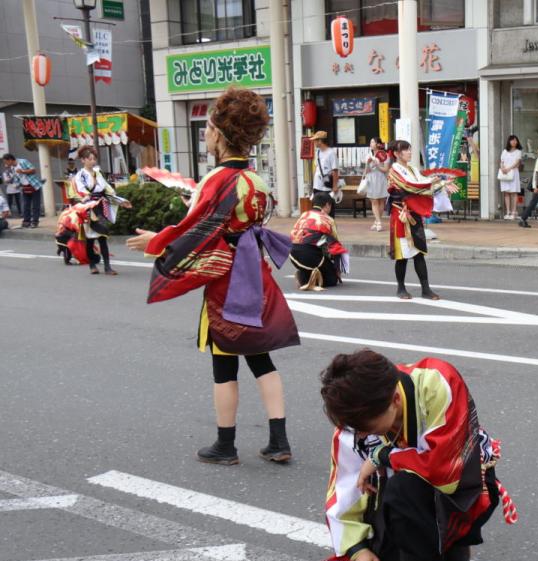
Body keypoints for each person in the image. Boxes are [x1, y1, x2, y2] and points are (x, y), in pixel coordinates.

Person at [127, 87, 298, 466]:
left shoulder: (217, 180)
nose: (205, 134)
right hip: (257, 274)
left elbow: (196, 229)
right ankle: (279, 441)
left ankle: (225, 445)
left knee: (224, 365)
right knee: (261, 359)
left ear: (219, 133)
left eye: (206, 128)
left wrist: (158, 242)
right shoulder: (258, 180)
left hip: (228, 282)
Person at [320, 349, 508, 561]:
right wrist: (358, 551)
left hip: (458, 492)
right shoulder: (354, 416)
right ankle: (434, 550)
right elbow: (343, 485)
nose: (361, 434)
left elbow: (445, 471)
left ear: (395, 399)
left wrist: (382, 455)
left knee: (404, 485)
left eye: (369, 426)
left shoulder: (437, 382)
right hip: (402, 511)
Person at [388, 139, 456, 300]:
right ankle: (401, 288)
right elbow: (412, 186)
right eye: (406, 150)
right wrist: (438, 183)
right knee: (402, 255)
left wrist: (442, 183)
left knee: (419, 252)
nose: (410, 152)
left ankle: (426, 289)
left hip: (414, 213)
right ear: (397, 154)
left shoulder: (412, 169)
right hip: (401, 215)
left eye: (410, 149)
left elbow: (422, 183)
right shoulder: (394, 170)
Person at [73, 145, 130, 275]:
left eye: (94, 159)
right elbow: (80, 190)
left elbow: (107, 188)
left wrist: (118, 200)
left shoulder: (98, 173)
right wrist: (87, 198)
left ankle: (107, 267)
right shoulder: (80, 175)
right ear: (83, 160)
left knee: (103, 236)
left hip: (100, 205)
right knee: (90, 238)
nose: (93, 161)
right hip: (88, 207)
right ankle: (92, 264)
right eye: (90, 159)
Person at [289, 192, 348, 291]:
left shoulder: (304, 214)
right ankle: (306, 279)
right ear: (327, 205)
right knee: (331, 280)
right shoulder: (327, 219)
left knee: (313, 259)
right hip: (310, 254)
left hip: (292, 253)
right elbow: (335, 245)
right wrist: (337, 269)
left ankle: (304, 275)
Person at [3, 153, 43, 229]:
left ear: (10, 160)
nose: (6, 164)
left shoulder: (23, 162)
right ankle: (26, 221)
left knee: (35, 205)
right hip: (24, 187)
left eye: (6, 162)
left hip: (34, 185)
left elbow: (33, 170)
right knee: (25, 205)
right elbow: (17, 178)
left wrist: (22, 171)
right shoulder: (12, 168)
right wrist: (16, 185)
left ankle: (35, 222)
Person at [361, 137, 392, 232]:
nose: (371, 143)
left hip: (381, 178)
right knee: (374, 201)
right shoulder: (368, 155)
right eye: (370, 142)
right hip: (371, 179)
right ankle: (379, 222)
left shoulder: (385, 155)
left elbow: (385, 170)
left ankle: (376, 221)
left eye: (373, 142)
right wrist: (368, 163)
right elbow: (366, 171)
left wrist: (377, 164)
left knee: (381, 201)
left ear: (378, 144)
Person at [311, 131, 341, 217]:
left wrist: (335, 185)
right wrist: (313, 185)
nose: (314, 142)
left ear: (320, 140)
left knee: (328, 210)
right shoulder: (317, 152)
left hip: (327, 187)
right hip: (317, 186)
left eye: (315, 140)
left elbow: (335, 170)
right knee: (316, 210)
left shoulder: (331, 153)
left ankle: (330, 229)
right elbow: (316, 168)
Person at [498, 134, 523, 220]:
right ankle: (508, 211)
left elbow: (517, 163)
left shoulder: (518, 151)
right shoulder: (505, 151)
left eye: (515, 140)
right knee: (506, 193)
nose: (514, 142)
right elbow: (501, 161)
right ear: (509, 141)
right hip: (505, 174)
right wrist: (502, 168)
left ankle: (514, 212)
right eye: (512, 140)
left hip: (513, 173)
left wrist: (508, 168)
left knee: (514, 193)